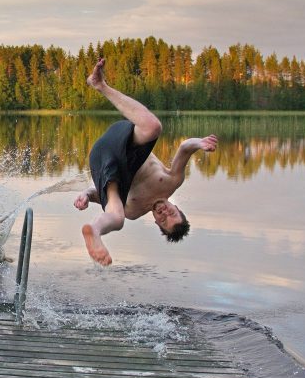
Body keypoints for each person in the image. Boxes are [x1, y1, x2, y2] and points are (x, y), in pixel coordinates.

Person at [75, 57, 217, 266]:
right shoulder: (172, 181)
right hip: (121, 141)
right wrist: (200, 143)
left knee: (118, 217)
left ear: (156, 223)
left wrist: (85, 195)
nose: (163, 213)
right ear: (176, 208)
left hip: (100, 160)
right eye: (171, 213)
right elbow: (185, 147)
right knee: (153, 127)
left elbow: (99, 192)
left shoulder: (134, 211)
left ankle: (94, 231)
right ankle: (100, 85)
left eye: (163, 220)